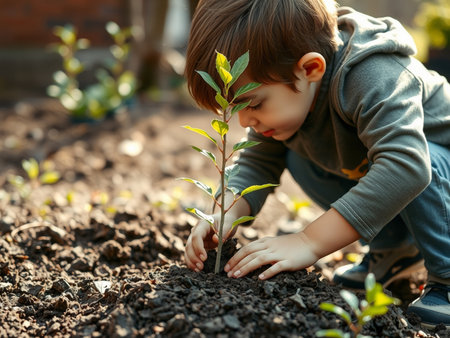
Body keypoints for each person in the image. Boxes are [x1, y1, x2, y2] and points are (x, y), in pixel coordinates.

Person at [183, 0, 450, 330]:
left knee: (414, 160)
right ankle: (394, 251)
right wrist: (222, 215)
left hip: (436, 173)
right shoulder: (294, 93)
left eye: (252, 103)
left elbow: (408, 167)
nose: (243, 121)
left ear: (310, 69)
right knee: (294, 152)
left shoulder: (374, 74)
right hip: (419, 191)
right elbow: (256, 160)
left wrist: (308, 241)